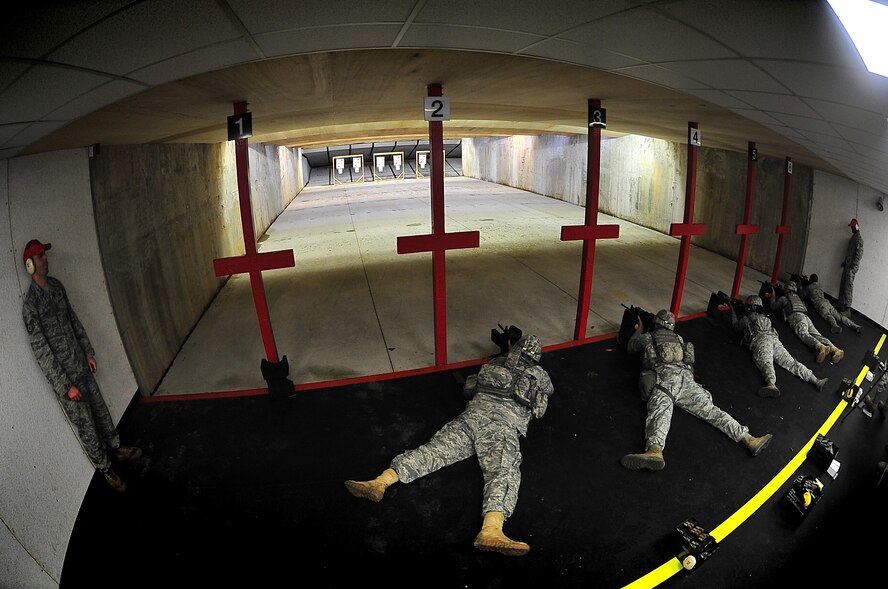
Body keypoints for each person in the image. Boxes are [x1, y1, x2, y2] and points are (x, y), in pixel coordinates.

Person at [344, 333, 554, 556]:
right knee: (503, 471)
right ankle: (491, 531)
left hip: (471, 417)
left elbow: (471, 388)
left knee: (434, 451)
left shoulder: (495, 363)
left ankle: (379, 482)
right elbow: (540, 409)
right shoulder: (539, 374)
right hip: (500, 427)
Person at [21, 239, 141, 492]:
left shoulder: (57, 287)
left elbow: (73, 321)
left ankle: (116, 448)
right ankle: (106, 469)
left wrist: (88, 351)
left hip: (81, 365)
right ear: (30, 265)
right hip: (68, 380)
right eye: (41, 257)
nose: (46, 260)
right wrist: (66, 386)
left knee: (99, 409)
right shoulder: (31, 307)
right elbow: (42, 352)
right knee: (86, 424)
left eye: (44, 255)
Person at [620, 309, 773, 471]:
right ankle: (749, 439)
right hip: (687, 380)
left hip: (665, 380)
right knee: (712, 411)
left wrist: (639, 329)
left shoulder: (649, 337)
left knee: (660, 412)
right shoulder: (678, 338)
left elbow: (631, 347)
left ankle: (655, 450)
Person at [731, 295, 828, 398]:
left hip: (761, 341)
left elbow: (735, 326)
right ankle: (816, 380)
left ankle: (771, 385)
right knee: (792, 362)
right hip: (775, 341)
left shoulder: (746, 319)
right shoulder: (766, 317)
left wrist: (733, 311)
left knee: (765, 362)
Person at [766, 280, 844, 365]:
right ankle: (836, 350)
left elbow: (773, 306)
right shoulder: (798, 298)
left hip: (796, 317)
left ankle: (821, 347)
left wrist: (773, 296)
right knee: (818, 335)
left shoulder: (784, 298)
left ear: (787, 289)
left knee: (804, 334)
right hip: (806, 317)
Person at [838, 218, 863, 315]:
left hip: (851, 267)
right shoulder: (853, 238)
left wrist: (853, 266)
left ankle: (847, 309)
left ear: (856, 226)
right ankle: (841, 304)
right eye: (851, 227)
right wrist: (845, 262)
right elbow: (850, 253)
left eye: (853, 227)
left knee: (848, 286)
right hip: (848, 265)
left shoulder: (859, 239)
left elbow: (859, 254)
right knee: (843, 284)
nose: (851, 228)